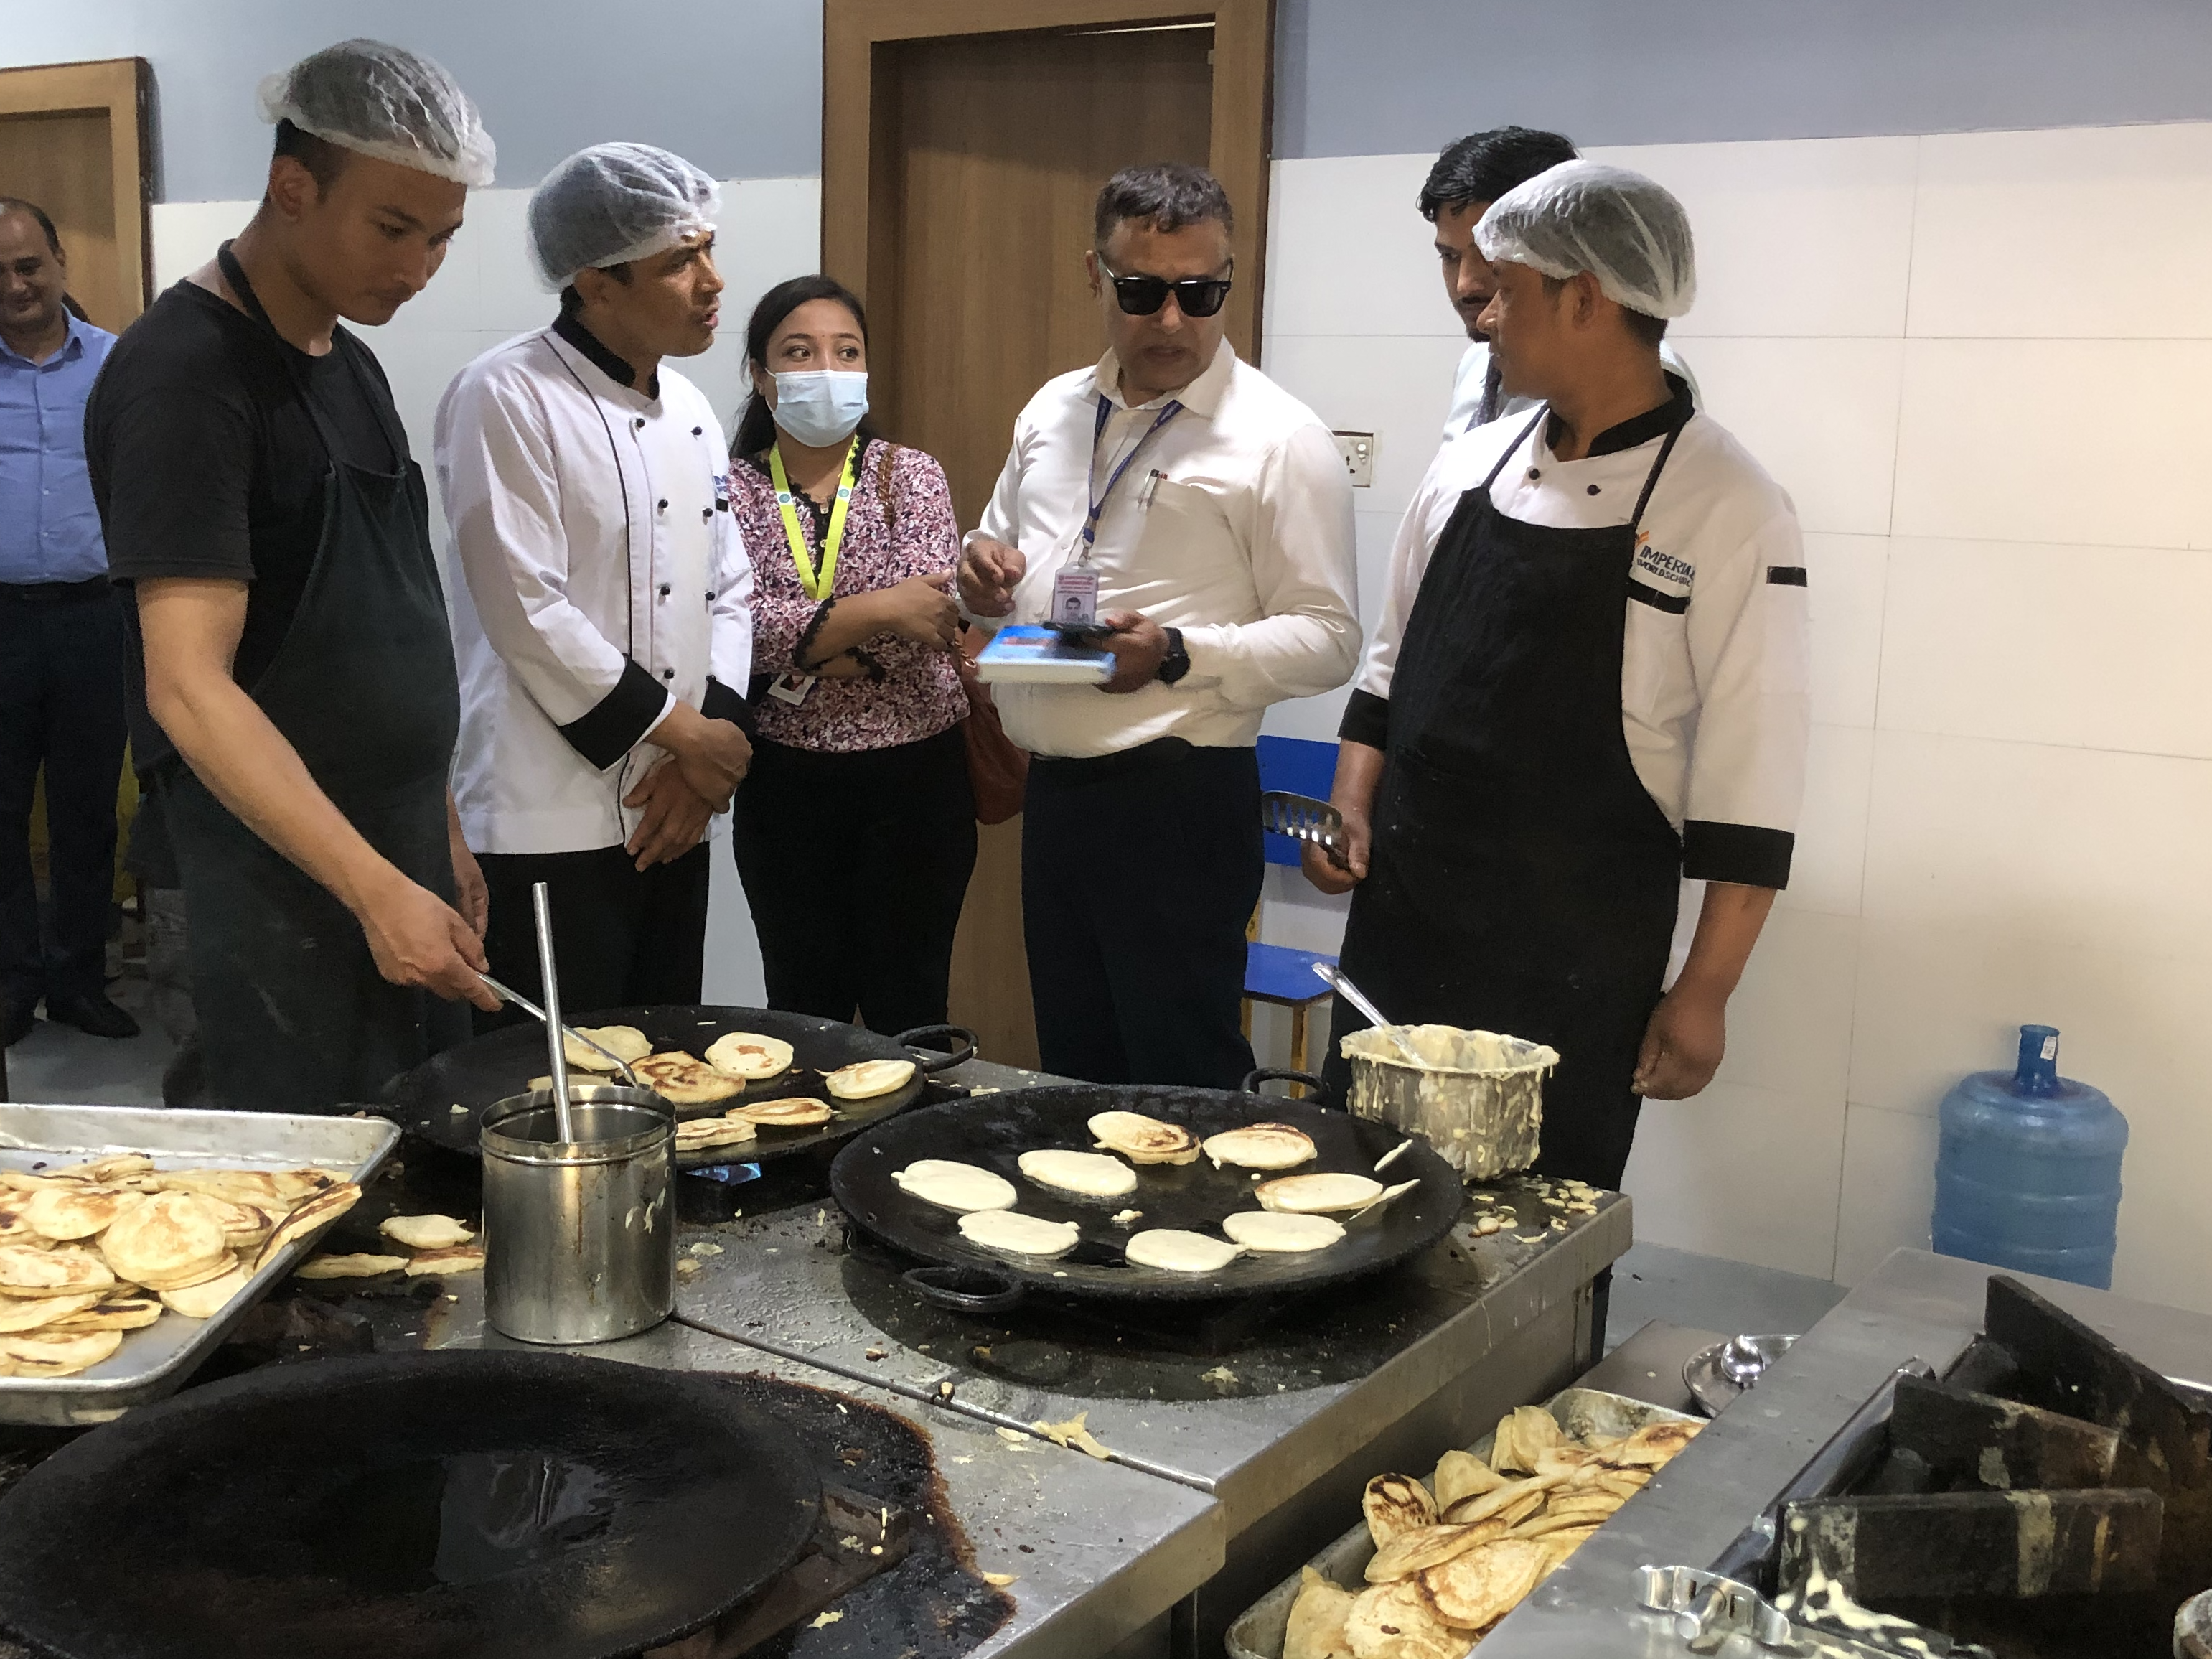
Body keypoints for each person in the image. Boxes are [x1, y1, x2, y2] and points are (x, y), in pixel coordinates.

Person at [1310, 161, 1810, 1193]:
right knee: (1347, 1197)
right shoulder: (1468, 465)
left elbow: (1754, 783)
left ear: (1584, 296)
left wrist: (1704, 990)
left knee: (1534, 1230)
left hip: (1571, 951)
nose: (1483, 315)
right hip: (1404, 922)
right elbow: (1389, 668)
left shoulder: (1726, 503)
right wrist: (1349, 808)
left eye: (1506, 289)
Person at [85, 40, 502, 1113]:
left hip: (388, 852)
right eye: (393, 229)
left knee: (410, 1195)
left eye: (442, 238)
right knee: (288, 1215)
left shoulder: (346, 356)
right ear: (292, 187)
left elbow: (392, 632)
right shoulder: (186, 379)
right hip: (258, 884)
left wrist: (439, 831)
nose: (416, 269)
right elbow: (188, 687)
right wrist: (373, 886)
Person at [960, 163, 1359, 1090]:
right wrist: (975, 579)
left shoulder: (1279, 438)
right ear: (1093, 274)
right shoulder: (1051, 409)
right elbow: (992, 550)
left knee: (1178, 1085)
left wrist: (1177, 653)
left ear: (1228, 278)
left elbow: (1329, 637)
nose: (1172, 319)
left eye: (1199, 291)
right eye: (1142, 291)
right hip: (1054, 798)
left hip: (1176, 804)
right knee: (1075, 1075)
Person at [438, 144, 753, 1027]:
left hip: (672, 808)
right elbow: (524, 608)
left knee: (662, 1073)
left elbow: (728, 587)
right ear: (595, 283)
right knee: (549, 1091)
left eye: (707, 249)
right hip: (545, 819)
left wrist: (707, 751)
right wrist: (685, 734)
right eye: (678, 261)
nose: (712, 280)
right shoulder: (504, 394)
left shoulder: (690, 408)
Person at [725, 276, 973, 1032]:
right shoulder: (728, 489)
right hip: (784, 782)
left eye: (845, 351)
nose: (825, 368)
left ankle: (909, 1155)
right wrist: (875, 610)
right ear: (763, 376)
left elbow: (932, 616)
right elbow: (734, 632)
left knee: (913, 1003)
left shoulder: (911, 474)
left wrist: (804, 641)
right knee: (801, 1006)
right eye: (799, 353)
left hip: (917, 775)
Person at [0, 197, 133, 1045]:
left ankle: (80, 977)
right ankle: (13, 983)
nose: (15, 285)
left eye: (28, 266)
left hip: (95, 617)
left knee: (88, 810)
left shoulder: (122, 367)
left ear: (59, 265)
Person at [1423, 127, 1698, 440]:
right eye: (1449, 256)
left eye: (1489, 257)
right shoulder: (1477, 364)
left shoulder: (1645, 381)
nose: (1465, 285)